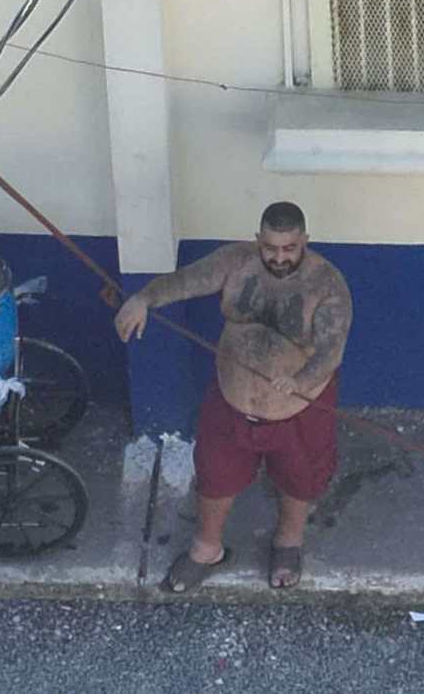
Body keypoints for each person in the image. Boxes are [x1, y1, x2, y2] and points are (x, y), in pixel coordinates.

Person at [114, 201, 353, 591]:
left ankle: (289, 542)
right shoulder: (235, 262)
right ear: (258, 239)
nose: (279, 258)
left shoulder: (327, 285)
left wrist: (301, 379)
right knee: (214, 476)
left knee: (301, 479)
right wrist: (144, 298)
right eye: (271, 248)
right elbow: (185, 280)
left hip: (298, 407)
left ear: (305, 241)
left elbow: (331, 351)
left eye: (289, 248)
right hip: (232, 401)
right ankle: (207, 549)